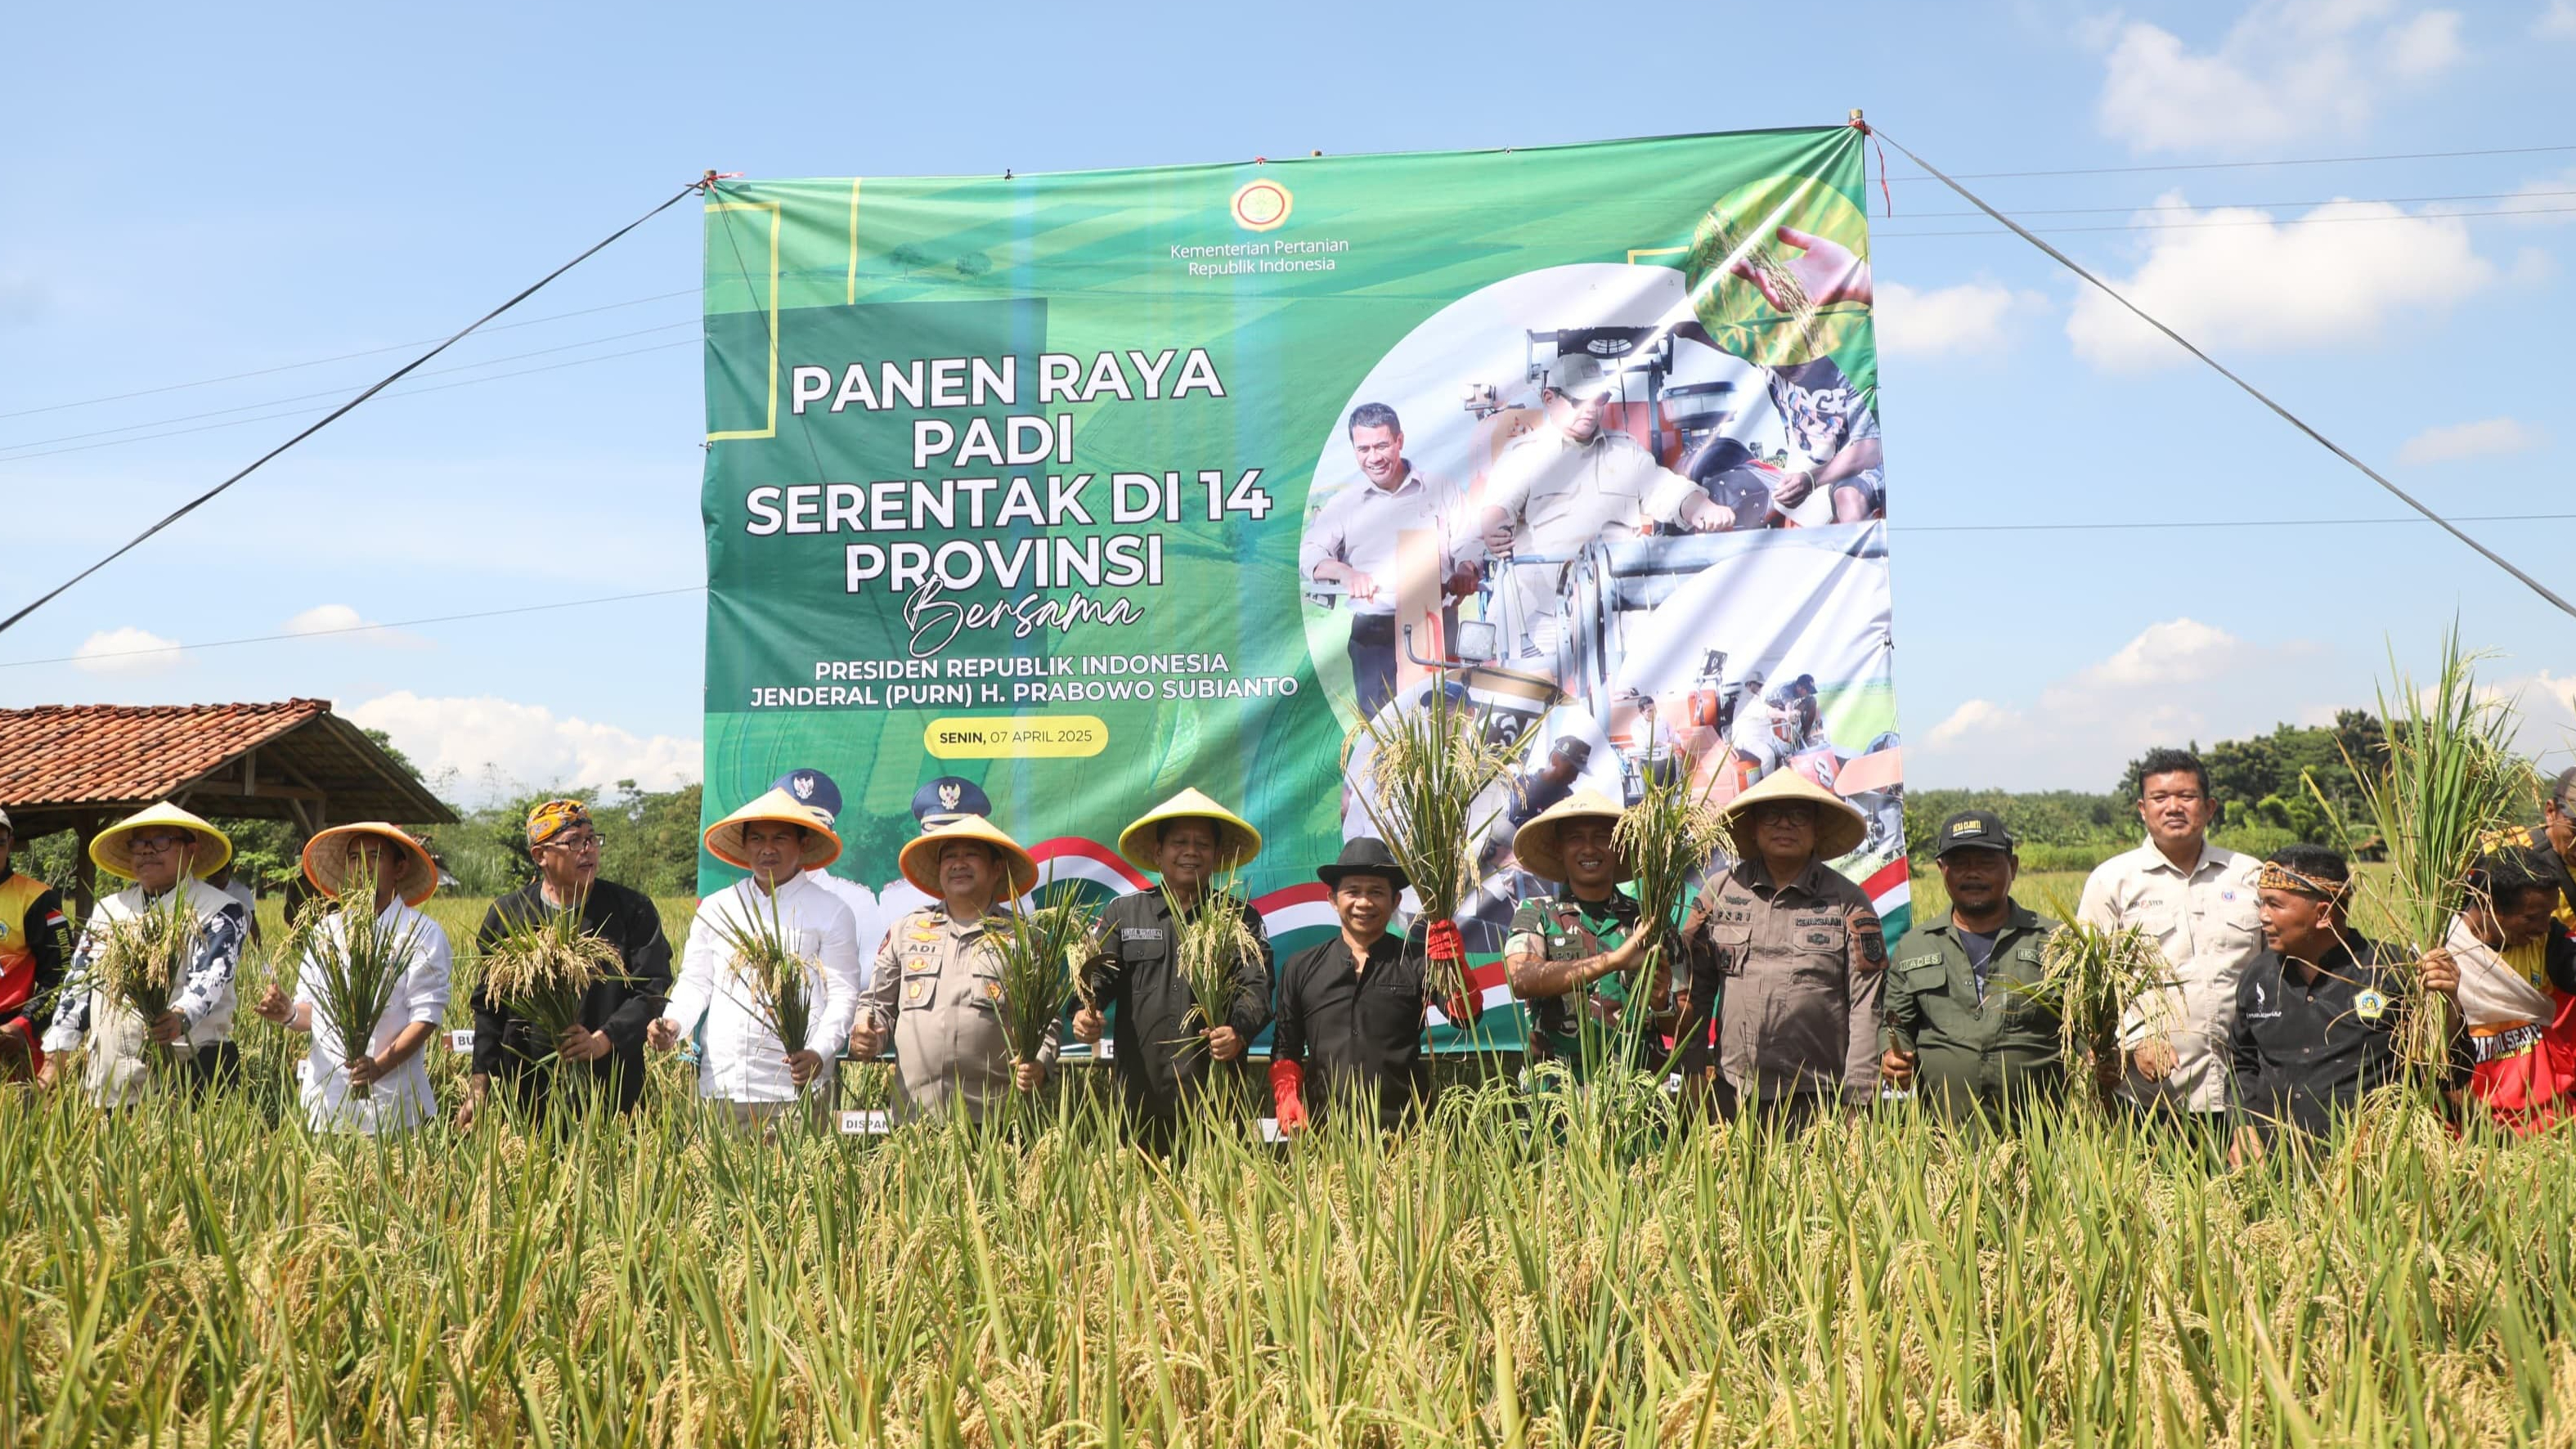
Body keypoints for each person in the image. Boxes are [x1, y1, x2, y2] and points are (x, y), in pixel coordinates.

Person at [1476, 352, 1733, 662]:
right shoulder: (1523, 456)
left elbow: (1666, 490)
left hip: (1619, 616)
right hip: (1540, 621)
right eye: (1578, 400)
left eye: (1599, 399)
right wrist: (1494, 529)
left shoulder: (1625, 451)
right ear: (1549, 399)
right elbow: (1497, 509)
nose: (1590, 409)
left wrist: (1701, 507)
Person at [1676, 769, 1886, 1128]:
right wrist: (1692, 1073)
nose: (1785, 824)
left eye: (1799, 815)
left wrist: (1858, 1099)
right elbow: (1694, 992)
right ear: (1753, 827)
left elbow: (1867, 1005)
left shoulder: (1849, 902)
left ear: (1817, 828)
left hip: (1819, 1101)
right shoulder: (1718, 893)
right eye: (1771, 814)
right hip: (1732, 1095)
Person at [647, 788, 864, 1129]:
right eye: (758, 839)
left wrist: (820, 1052)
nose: (767, 849)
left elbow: (843, 995)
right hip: (723, 1084)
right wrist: (673, 1023)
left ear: (803, 844)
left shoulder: (831, 911)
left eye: (780, 838)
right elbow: (696, 982)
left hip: (797, 1090)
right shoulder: (718, 908)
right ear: (744, 844)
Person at [2225, 845, 2456, 1163]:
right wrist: (2243, 1125)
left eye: (2274, 905)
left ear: (2323, 914)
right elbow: (2242, 1063)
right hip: (2274, 1166)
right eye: (2262, 903)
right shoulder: (2258, 976)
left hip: (2372, 1165)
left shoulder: (2393, 971)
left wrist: (2449, 1002)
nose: (2262, 916)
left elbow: (2447, 1069)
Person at [1071, 789, 1274, 1150]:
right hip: (1139, 1099)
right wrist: (1086, 1012)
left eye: (1203, 844)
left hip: (1215, 1101)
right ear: (1158, 852)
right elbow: (1097, 977)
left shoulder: (1239, 917)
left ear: (1217, 855)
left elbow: (1256, 987)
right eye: (1179, 842)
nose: (1191, 851)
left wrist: (1238, 1032)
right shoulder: (1124, 914)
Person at [2076, 748, 2263, 1133]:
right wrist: (2134, 1040)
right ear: (2143, 809)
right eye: (2160, 798)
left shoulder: (2249, 875)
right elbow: (2089, 983)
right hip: (2151, 1097)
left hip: (2248, 1088)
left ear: (2209, 808)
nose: (2174, 807)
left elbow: (2282, 965)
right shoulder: (2112, 881)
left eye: (2187, 797)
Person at [459, 799, 674, 1127]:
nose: (588, 850)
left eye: (592, 839)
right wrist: (479, 1088)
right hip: (529, 1087)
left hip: (613, 1085)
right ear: (540, 855)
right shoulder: (508, 916)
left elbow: (651, 989)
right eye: (574, 841)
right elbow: (489, 1007)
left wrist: (603, 1040)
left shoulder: (632, 910)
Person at [849, 814, 1055, 1124]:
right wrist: (866, 1034)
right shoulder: (906, 931)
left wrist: (1039, 1063)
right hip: (915, 1116)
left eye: (971, 854)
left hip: (996, 1118)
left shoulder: (1023, 938)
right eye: (950, 856)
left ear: (997, 868)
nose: (959, 864)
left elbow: (1048, 1019)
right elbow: (876, 1005)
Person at [39, 802, 249, 1105]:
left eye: (161, 840)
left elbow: (210, 979)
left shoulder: (219, 910)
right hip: (111, 1077)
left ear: (191, 850)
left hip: (189, 1073)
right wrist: (57, 1053)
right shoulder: (108, 910)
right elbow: (79, 985)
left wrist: (179, 1018)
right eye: (139, 843)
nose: (147, 850)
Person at [1270, 837, 1482, 1135]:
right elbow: (1286, 1048)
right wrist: (1287, 1096)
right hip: (1323, 1136)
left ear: (1395, 901)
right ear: (1333, 899)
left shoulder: (1419, 960)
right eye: (1353, 891)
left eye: (1376, 892)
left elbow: (1466, 1016)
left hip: (1406, 1137)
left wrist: (1455, 966)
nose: (1364, 902)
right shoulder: (1301, 967)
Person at [250, 823, 452, 1134]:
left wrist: (379, 1066)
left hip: (392, 1107)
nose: (363, 867)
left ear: (399, 868)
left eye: (375, 856)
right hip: (325, 1104)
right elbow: (311, 1012)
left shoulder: (422, 933)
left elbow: (426, 1018)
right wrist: (288, 1012)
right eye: (355, 858)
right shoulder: (327, 931)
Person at [1879, 811, 2065, 1122]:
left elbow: (2082, 1025)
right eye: (1960, 864)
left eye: (1986, 863)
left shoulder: (2054, 941)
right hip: (1944, 1132)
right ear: (1942, 869)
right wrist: (1892, 1055)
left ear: (2013, 867)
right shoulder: (1915, 946)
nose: (1973, 873)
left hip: (2040, 1132)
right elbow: (1896, 1024)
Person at [1301, 402, 1482, 720]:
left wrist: (1467, 570)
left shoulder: (1440, 489)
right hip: (1374, 634)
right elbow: (1311, 553)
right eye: (1364, 449)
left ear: (1400, 441)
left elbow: (1469, 543)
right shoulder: (1344, 504)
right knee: (1382, 732)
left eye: (1382, 445)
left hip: (1436, 624)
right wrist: (1344, 573)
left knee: (1442, 726)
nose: (1374, 457)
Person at [1503, 790, 1677, 1080]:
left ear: (1618, 845)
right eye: (1575, 838)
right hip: (1559, 1095)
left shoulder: (1649, 921)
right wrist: (1614, 961)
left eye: (1601, 837)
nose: (1589, 849)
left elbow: (1682, 1022)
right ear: (1558, 848)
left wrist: (1662, 1006)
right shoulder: (1536, 913)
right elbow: (1521, 979)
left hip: (1636, 1092)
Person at [2434, 849, 2576, 1137]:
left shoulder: (2547, 942)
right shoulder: (2442, 956)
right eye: (2531, 917)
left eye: (2549, 915)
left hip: (2552, 1119)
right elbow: (2436, 1064)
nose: (2543, 927)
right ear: (2489, 905)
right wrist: (2489, 1135)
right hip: (2476, 1125)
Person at [773, 767, 886, 964]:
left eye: (812, 832)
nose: (801, 841)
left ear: (832, 839)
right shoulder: (744, 901)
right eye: (788, 832)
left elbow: (872, 974)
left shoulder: (858, 902)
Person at [0, 808, 73, 1083]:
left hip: (11, 1040)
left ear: (11, 844)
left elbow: (62, 976)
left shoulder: (37, 898)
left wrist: (24, 1024)